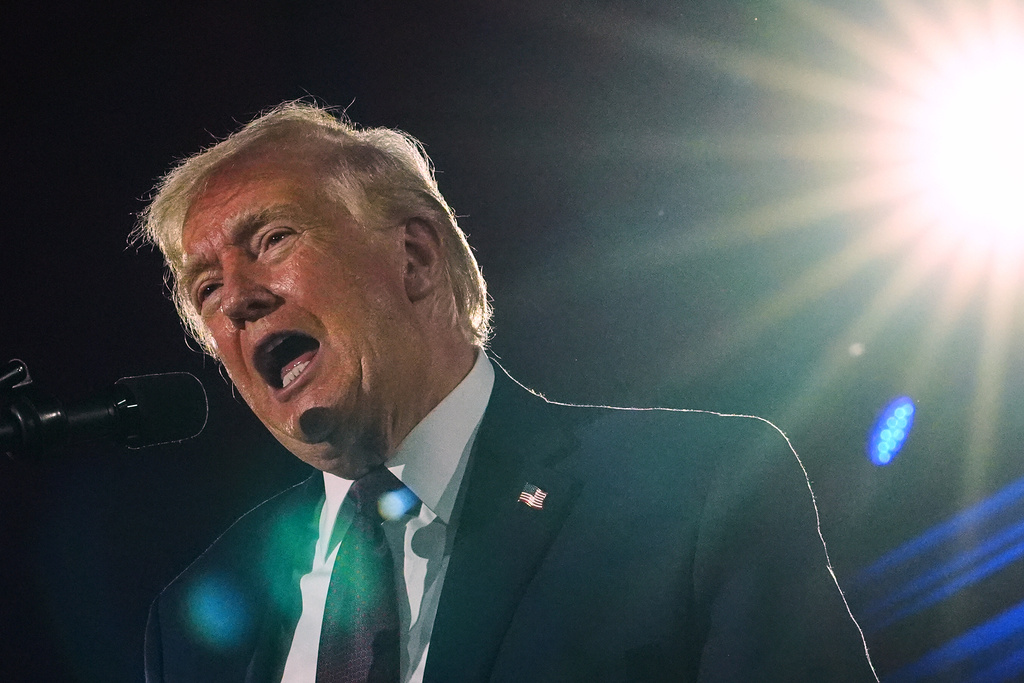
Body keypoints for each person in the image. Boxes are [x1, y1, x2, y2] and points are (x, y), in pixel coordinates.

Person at [136, 102, 877, 682]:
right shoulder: (193, 624)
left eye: (271, 240)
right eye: (205, 289)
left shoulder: (695, 492)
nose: (235, 300)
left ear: (417, 257)